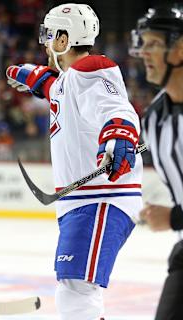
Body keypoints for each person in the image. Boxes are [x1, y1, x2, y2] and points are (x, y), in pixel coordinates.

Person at [6, 4, 142, 320]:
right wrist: (37, 79)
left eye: (48, 35)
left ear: (64, 40)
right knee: (74, 289)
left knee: (77, 290)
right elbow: (59, 90)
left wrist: (119, 132)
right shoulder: (69, 80)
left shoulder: (91, 68)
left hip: (102, 199)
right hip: (85, 203)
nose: (43, 42)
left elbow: (115, 107)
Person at [131, 5, 183, 319]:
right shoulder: (154, 118)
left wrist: (175, 218)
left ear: (179, 49)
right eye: (143, 43)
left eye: (154, 44)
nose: (144, 53)